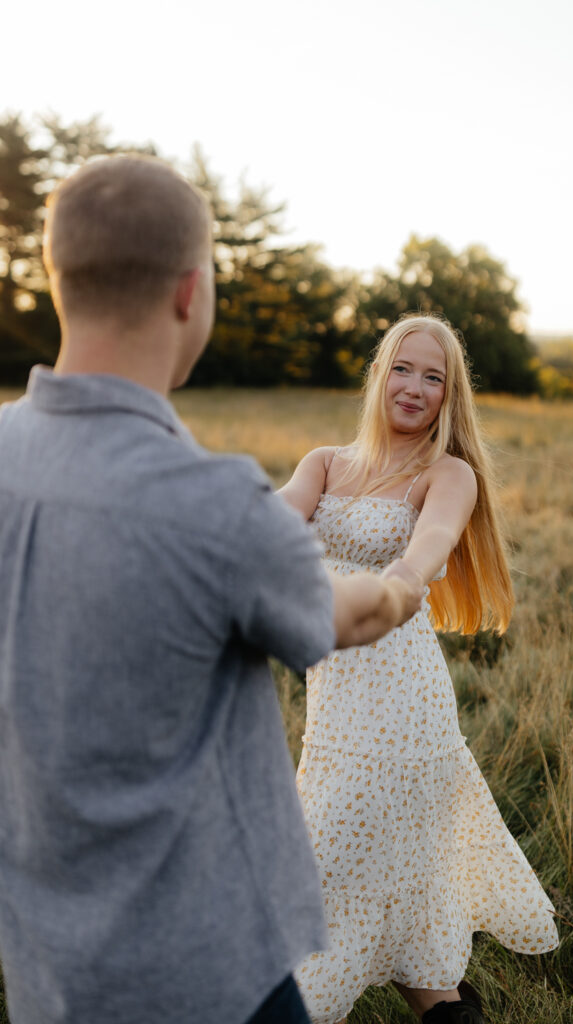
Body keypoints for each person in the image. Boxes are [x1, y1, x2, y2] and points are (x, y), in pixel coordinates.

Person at [0, 155, 422, 1024]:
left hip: (44, 964)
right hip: (208, 970)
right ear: (192, 292)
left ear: (56, 282)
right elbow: (347, 615)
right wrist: (405, 585)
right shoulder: (215, 506)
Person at [279, 313, 559, 1024]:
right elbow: (267, 526)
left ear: (447, 396)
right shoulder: (324, 463)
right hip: (334, 714)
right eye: (402, 368)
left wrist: (401, 584)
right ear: (378, 374)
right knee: (398, 915)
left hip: (403, 716)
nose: (413, 386)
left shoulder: (446, 473)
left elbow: (425, 550)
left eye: (432, 377)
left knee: (314, 897)